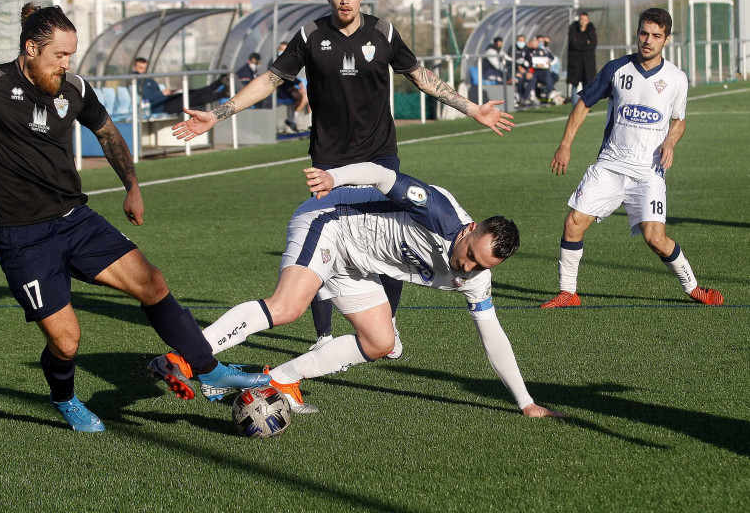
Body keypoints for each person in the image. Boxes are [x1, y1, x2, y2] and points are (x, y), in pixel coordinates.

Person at [0, 3, 270, 432]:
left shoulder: (74, 88)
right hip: (21, 237)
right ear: (30, 48)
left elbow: (107, 132)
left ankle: (208, 370)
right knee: (66, 340)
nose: (66, 64)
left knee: (152, 283)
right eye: (59, 55)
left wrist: (131, 186)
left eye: (70, 56)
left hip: (76, 220)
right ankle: (64, 398)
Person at [172, 0, 514, 361]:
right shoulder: (311, 35)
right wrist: (219, 113)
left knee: (387, 236)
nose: (344, 0)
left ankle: (385, 322)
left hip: (380, 156)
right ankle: (322, 336)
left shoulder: (383, 32)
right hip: (330, 159)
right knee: (326, 237)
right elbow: (271, 79)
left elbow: (422, 77)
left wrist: (472, 109)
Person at [157, 162, 566, 418]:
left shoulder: (477, 276)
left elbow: (492, 336)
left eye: (481, 265)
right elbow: (382, 175)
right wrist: (335, 178)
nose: (467, 266)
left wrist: (525, 401)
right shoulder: (438, 210)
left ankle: (281, 380)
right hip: (332, 220)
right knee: (287, 307)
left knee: (381, 341)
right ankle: (184, 355)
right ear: (471, 229)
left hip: (358, 263)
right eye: (471, 255)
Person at [541, 8, 723, 309]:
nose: (647, 41)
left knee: (655, 239)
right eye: (643, 33)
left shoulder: (676, 78)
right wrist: (565, 145)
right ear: (637, 33)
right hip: (610, 165)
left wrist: (671, 142)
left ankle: (694, 288)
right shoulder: (617, 69)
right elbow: (584, 103)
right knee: (573, 222)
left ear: (666, 39)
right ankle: (568, 293)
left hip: (649, 172)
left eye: (655, 36)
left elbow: (679, 120)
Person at [274, 41, 309, 132]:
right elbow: (282, 77)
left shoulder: (289, 61)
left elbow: (292, 76)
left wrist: (299, 85)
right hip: (280, 89)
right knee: (304, 98)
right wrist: (294, 86)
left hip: (288, 88)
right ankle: (291, 121)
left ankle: (292, 121)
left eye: (284, 49)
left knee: (305, 97)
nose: (282, 52)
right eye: (281, 50)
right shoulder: (276, 61)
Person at [566, 11, 597, 103]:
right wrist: (585, 42)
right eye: (581, 19)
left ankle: (585, 104)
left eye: (585, 20)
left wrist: (580, 44)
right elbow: (574, 43)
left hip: (587, 62)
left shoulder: (591, 30)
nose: (583, 21)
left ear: (588, 21)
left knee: (587, 84)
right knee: (574, 84)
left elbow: (593, 44)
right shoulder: (573, 29)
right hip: (575, 62)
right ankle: (575, 104)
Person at [514, 35, 538, 107]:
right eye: (519, 40)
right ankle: (520, 98)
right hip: (514, 72)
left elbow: (530, 63)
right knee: (520, 79)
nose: (521, 42)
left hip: (525, 72)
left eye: (522, 41)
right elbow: (512, 62)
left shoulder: (527, 50)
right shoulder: (513, 49)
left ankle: (524, 98)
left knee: (533, 79)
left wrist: (529, 72)